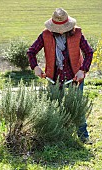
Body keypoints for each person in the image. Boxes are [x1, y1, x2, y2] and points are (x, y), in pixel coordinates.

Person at [27, 8, 93, 143]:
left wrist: (83, 70)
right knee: (54, 107)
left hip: (75, 77)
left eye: (63, 27)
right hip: (54, 78)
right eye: (57, 28)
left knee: (77, 106)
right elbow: (31, 51)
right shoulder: (45, 35)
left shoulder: (78, 33)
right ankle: (59, 136)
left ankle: (83, 136)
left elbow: (89, 52)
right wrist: (35, 67)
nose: (61, 30)